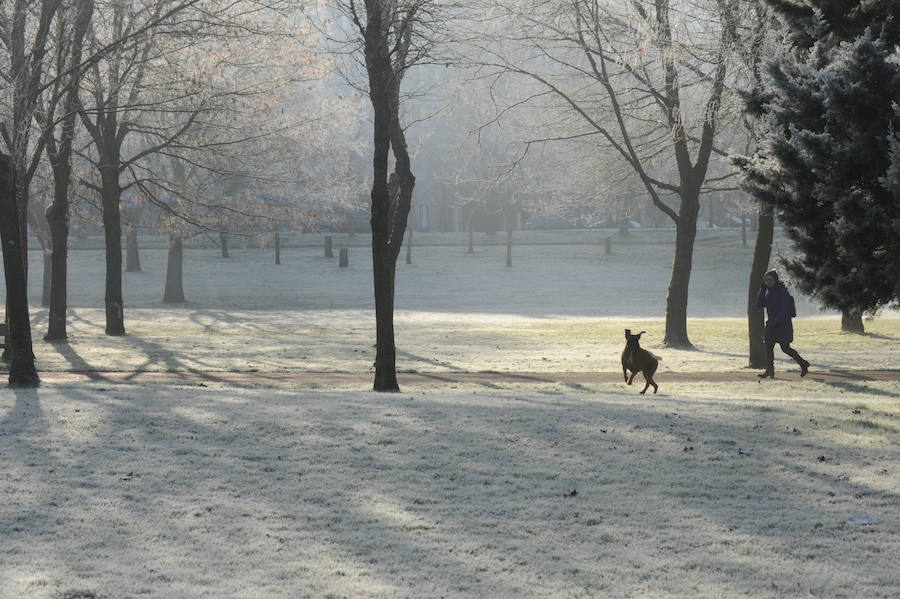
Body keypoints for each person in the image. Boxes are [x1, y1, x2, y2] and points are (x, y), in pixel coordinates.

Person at [756, 269, 810, 378]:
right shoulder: (768, 292)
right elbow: (760, 304)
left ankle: (803, 363)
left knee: (785, 348)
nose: (768, 282)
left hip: (783, 325)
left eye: (770, 280)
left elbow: (784, 308)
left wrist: (777, 320)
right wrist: (762, 290)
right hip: (772, 324)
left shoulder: (782, 291)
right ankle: (769, 371)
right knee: (768, 347)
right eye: (765, 281)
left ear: (775, 280)